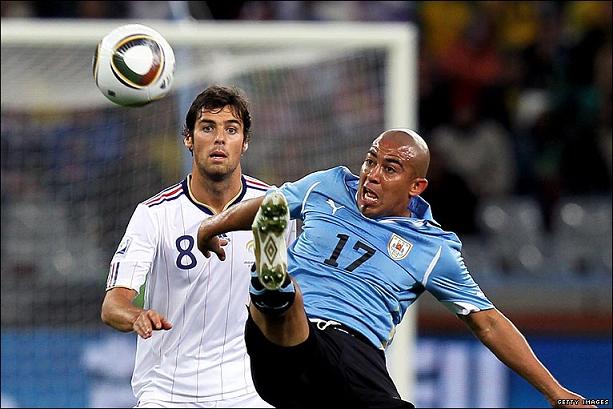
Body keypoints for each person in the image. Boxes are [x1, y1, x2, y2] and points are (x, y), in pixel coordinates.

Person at [196, 128, 595, 409]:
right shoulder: (327, 185)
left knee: (291, 310)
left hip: (351, 356)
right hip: (282, 344)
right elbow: (270, 205)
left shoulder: (433, 248)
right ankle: (272, 283)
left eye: (390, 168)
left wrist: (556, 392)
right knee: (288, 303)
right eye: (370, 161)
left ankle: (272, 282)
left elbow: (488, 322)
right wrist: (213, 225)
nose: (371, 175)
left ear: (415, 187)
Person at [100, 85, 295, 408]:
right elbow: (112, 305)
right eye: (207, 128)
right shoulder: (154, 215)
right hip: (168, 391)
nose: (219, 139)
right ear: (188, 139)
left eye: (231, 129)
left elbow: (295, 295)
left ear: (245, 142)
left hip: (250, 390)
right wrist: (137, 316)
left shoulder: (274, 208)